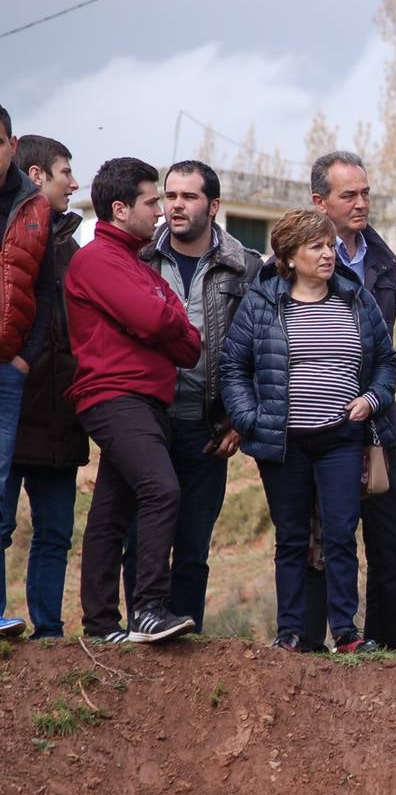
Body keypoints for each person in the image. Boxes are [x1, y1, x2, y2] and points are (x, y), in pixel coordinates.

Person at [221, 208, 396, 654]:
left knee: (341, 534)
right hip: (283, 444)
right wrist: (250, 420)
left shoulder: (356, 298)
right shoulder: (262, 302)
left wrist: (372, 400)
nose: (328, 254)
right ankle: (291, 634)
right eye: (316, 246)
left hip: (341, 437)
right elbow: (233, 369)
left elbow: (386, 362)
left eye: (329, 245)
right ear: (289, 256)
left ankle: (345, 633)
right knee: (293, 538)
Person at [119, 160, 261, 633]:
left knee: (194, 545)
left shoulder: (246, 267)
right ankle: (141, 628)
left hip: (209, 428)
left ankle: (188, 642)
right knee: (140, 538)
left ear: (213, 206)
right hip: (147, 421)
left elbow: (262, 349)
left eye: (189, 197)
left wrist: (240, 419)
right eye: (169, 196)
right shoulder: (138, 259)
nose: (175, 206)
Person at [65, 157, 202, 644]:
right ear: (120, 210)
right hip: (115, 398)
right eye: (153, 201)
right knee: (161, 489)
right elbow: (157, 322)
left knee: (110, 511)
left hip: (146, 401)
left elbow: (191, 345)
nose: (162, 211)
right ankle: (148, 609)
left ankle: (101, 625)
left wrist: (166, 317)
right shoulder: (98, 260)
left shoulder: (137, 263)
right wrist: (167, 315)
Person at [303, 151, 396, 649]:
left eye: (366, 192)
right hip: (314, 428)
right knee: (318, 543)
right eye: (349, 195)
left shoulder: (382, 260)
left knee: (392, 540)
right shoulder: (291, 267)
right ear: (319, 201)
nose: (361, 203)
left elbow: (385, 349)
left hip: (375, 424)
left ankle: (390, 651)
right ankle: (308, 649)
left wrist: (375, 399)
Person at [0, 135, 86, 639]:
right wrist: (22, 364)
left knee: (56, 532)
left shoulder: (75, 250)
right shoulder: (11, 238)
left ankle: (49, 631)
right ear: (35, 176)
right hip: (16, 408)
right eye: (64, 173)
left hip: (62, 419)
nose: (74, 184)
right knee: (2, 526)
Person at [0, 107, 62, 639]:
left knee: (6, 492)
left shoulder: (35, 210)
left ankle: (26, 621)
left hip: (15, 375)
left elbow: (43, 292)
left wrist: (25, 356)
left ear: (11, 144)